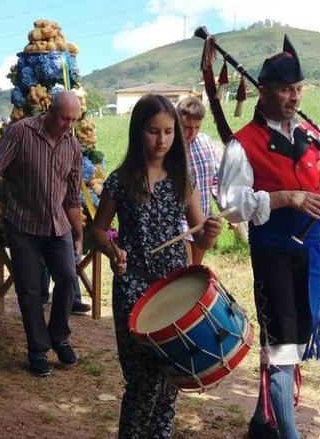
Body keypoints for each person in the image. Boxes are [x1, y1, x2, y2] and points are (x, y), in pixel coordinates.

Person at [216, 36, 320, 439]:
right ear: (263, 92)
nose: (294, 97)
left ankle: (263, 421)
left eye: (299, 89)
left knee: (296, 334)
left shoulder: (312, 134)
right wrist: (283, 198)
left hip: (312, 250)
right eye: (285, 90)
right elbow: (230, 206)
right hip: (273, 250)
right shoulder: (242, 144)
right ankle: (287, 434)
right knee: (281, 342)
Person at [90, 94, 222, 438]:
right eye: (153, 131)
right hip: (133, 287)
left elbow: (200, 243)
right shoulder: (120, 180)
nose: (162, 140)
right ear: (138, 132)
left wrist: (209, 234)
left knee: (170, 381)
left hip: (175, 288)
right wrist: (112, 250)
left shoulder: (182, 179)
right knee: (142, 380)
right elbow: (97, 231)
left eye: (168, 132)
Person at [0, 92, 83, 377]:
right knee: (29, 289)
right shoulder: (21, 132)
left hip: (58, 225)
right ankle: (37, 349)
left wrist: (78, 234)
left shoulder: (73, 146)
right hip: (23, 225)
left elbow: (73, 197)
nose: (68, 124)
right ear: (49, 110)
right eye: (64, 117)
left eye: (73, 119)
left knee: (67, 277)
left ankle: (59, 336)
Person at [177, 96, 220, 264]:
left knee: (195, 268)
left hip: (203, 219)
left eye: (197, 127)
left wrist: (223, 202)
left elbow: (216, 178)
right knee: (184, 270)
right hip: (179, 223)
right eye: (187, 127)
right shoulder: (169, 147)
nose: (191, 132)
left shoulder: (206, 142)